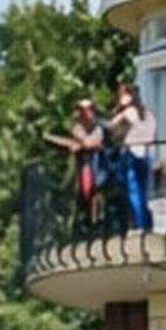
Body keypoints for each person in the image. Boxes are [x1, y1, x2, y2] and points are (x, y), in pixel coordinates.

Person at [44, 99, 103, 231]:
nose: (86, 113)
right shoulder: (76, 127)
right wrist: (82, 145)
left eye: (88, 110)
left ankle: (94, 219)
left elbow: (92, 142)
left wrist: (80, 145)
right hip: (82, 165)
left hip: (97, 163)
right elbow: (84, 141)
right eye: (83, 110)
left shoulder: (97, 128)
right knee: (81, 190)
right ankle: (81, 221)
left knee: (93, 189)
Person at [107, 85, 156, 232]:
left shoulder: (129, 112)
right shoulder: (149, 114)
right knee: (143, 191)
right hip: (147, 153)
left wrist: (117, 110)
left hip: (132, 153)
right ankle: (146, 223)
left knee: (133, 190)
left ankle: (139, 224)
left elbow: (111, 125)